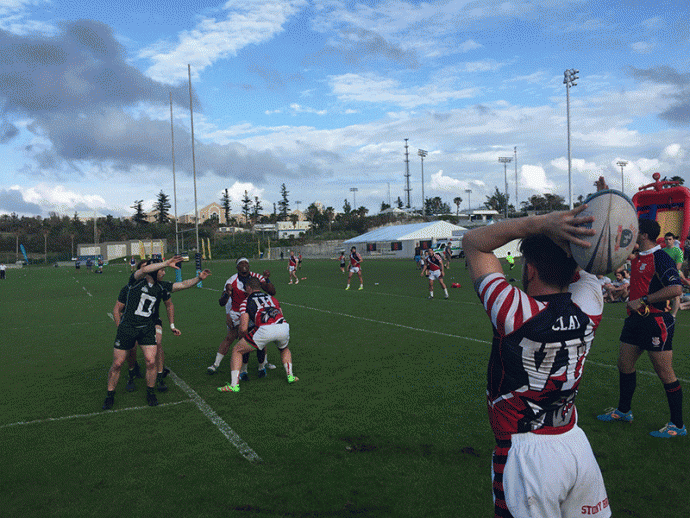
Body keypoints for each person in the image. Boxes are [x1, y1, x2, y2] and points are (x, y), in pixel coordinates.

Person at [463, 189, 611, 518]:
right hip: (575, 444)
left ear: (529, 269)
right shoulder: (591, 304)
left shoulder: (513, 311)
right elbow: (591, 263)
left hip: (526, 454)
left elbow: (474, 242)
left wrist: (542, 222)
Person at [597, 218, 686, 437]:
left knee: (665, 373)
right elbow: (615, 250)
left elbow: (676, 288)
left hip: (656, 321)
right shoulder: (638, 259)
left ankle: (677, 425)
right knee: (624, 364)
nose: (633, 234)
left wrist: (644, 299)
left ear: (644, 235)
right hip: (635, 321)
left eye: (636, 231)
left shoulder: (660, 258)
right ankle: (624, 411)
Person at [102, 256, 211, 410]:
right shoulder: (135, 282)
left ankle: (151, 392)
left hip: (147, 327)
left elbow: (183, 285)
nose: (164, 273)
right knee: (118, 363)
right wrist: (166, 262)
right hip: (128, 327)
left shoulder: (161, 287)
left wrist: (198, 278)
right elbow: (145, 269)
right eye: (162, 270)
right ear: (154, 271)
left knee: (151, 361)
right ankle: (110, 395)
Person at [218, 277, 297, 392]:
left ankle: (234, 385)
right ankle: (290, 376)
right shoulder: (272, 298)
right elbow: (280, 314)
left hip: (264, 329)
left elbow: (244, 327)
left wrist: (243, 338)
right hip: (283, 327)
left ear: (249, 287)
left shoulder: (245, 302)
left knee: (237, 350)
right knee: (284, 349)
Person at [115, 260, 181, 394]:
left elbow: (169, 304)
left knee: (158, 343)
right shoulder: (130, 286)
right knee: (131, 348)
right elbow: (117, 309)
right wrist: (121, 329)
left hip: (152, 321)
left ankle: (160, 375)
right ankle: (132, 373)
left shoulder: (160, 286)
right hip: (131, 323)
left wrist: (172, 325)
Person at [208, 258, 276, 377]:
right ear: (237, 267)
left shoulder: (256, 277)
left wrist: (266, 279)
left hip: (253, 313)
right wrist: (228, 311)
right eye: (241, 263)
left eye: (246, 263)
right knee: (233, 336)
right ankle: (216, 364)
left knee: (260, 335)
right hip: (237, 313)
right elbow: (222, 302)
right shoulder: (231, 281)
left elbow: (271, 291)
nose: (244, 265)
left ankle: (262, 364)